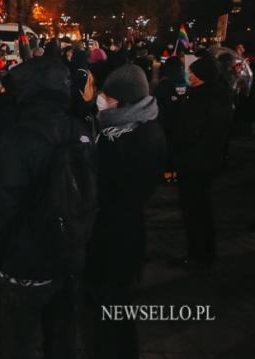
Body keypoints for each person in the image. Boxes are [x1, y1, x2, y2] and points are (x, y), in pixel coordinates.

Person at [0, 57, 93, 359]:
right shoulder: (78, 129)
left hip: (25, 262)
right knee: (61, 340)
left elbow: (3, 207)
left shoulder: (20, 136)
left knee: (18, 343)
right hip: (68, 256)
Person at [84, 65, 166, 359]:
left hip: (114, 233)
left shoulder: (124, 137)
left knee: (110, 305)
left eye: (108, 94)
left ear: (124, 100)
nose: (102, 99)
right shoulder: (136, 126)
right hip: (121, 230)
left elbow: (107, 185)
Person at [169, 56, 234, 273]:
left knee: (193, 212)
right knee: (204, 210)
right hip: (209, 162)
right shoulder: (221, 95)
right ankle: (207, 253)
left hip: (193, 163)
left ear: (203, 76)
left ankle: (197, 255)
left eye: (194, 73)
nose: (190, 76)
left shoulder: (199, 99)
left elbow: (187, 133)